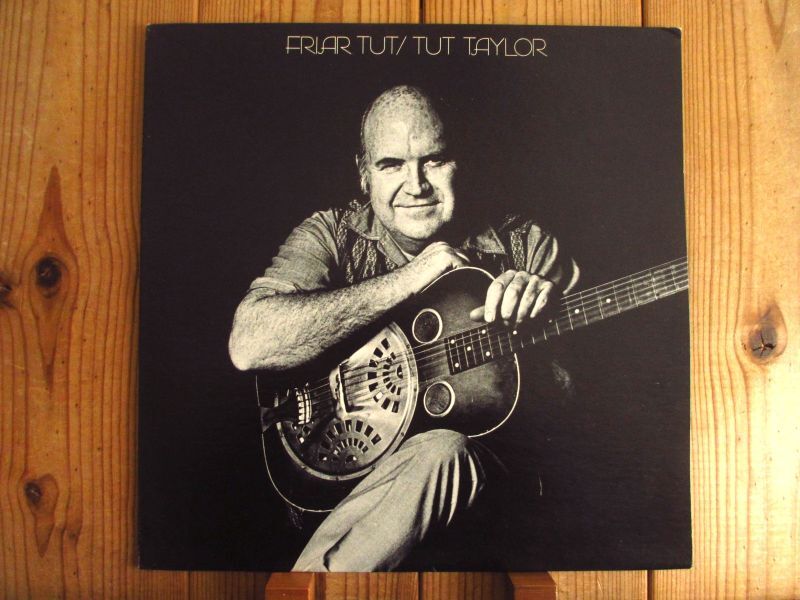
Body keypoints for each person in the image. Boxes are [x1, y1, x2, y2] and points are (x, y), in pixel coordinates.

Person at [228, 85, 579, 571]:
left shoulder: (526, 248)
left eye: (434, 160)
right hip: (345, 490)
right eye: (391, 165)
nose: (416, 185)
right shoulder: (330, 235)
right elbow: (248, 345)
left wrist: (540, 314)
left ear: (461, 161)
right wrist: (412, 278)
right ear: (363, 174)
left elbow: (576, 416)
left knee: (445, 451)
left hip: (491, 504)